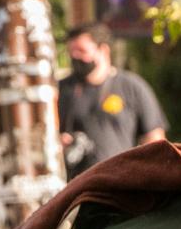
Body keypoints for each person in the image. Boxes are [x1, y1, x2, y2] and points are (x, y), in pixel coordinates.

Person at [58, 24, 167, 175]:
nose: (75, 57)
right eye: (71, 52)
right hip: (75, 186)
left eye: (82, 51)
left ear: (103, 50)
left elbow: (155, 140)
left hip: (121, 184)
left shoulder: (132, 86)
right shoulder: (60, 90)